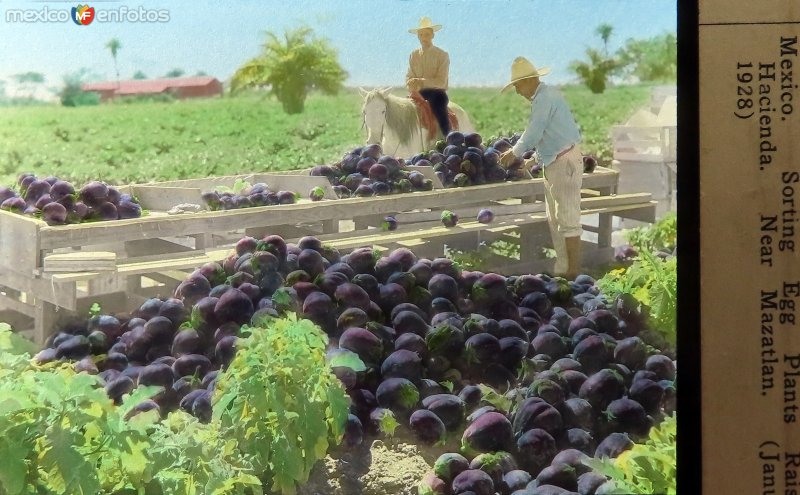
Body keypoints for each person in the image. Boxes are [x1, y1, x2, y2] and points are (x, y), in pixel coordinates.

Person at [499, 57, 584, 279]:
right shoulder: (546, 96)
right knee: (556, 220)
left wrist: (515, 153)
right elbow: (552, 134)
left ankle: (572, 272)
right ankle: (562, 270)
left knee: (567, 218)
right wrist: (533, 159)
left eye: (518, 86)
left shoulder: (544, 99)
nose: (518, 91)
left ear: (529, 81)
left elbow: (536, 131)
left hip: (564, 163)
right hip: (556, 160)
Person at [406, 16, 451, 138]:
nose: (423, 38)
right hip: (417, 94)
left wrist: (421, 82)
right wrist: (410, 82)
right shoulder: (413, 55)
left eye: (426, 34)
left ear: (432, 35)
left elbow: (441, 81)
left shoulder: (442, 55)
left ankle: (449, 139)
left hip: (436, 93)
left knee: (439, 111)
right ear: (418, 36)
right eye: (421, 35)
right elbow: (409, 75)